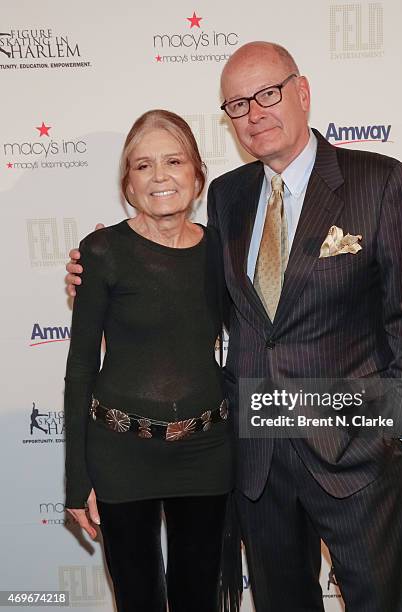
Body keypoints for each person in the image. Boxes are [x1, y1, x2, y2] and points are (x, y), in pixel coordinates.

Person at [66, 42, 402, 611]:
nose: (255, 113)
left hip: (354, 458)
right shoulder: (229, 196)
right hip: (256, 461)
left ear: (303, 91)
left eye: (268, 94)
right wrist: (104, 266)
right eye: (238, 104)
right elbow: (193, 298)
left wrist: (381, 432)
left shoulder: (381, 182)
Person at [64, 109, 235, 612]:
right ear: (128, 186)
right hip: (121, 453)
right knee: (137, 599)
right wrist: (77, 480)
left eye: (174, 160)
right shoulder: (101, 253)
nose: (160, 175)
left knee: (197, 597)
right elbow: (79, 371)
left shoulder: (223, 252)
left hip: (206, 452)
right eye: (142, 166)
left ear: (197, 176)